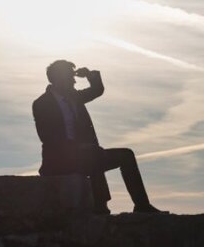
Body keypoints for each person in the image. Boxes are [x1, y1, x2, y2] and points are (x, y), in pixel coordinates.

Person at [33, 60, 163, 214]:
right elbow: (48, 137)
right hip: (59, 161)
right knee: (91, 156)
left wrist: (89, 75)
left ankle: (141, 205)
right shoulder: (42, 103)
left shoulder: (75, 97)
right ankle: (100, 206)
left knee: (125, 155)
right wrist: (77, 147)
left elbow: (97, 90)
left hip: (85, 155)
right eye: (70, 77)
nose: (74, 81)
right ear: (58, 79)